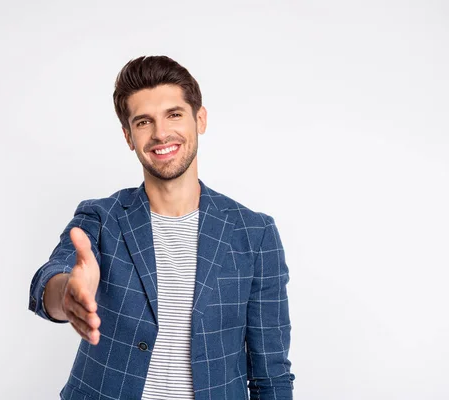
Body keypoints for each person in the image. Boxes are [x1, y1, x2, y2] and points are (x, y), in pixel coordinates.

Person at [28, 55, 295, 400]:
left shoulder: (254, 234)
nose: (160, 133)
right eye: (143, 122)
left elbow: (270, 375)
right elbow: (51, 278)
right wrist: (66, 294)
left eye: (174, 114)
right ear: (128, 136)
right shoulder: (100, 216)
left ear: (200, 119)